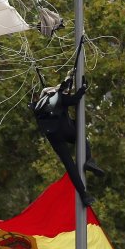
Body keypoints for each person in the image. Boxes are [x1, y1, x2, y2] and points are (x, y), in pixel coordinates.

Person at [30, 74, 104, 207]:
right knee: (81, 135)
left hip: (53, 136)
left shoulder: (40, 107)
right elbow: (75, 100)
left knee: (69, 165)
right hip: (66, 130)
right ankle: (88, 160)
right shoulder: (59, 97)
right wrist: (83, 88)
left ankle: (84, 195)